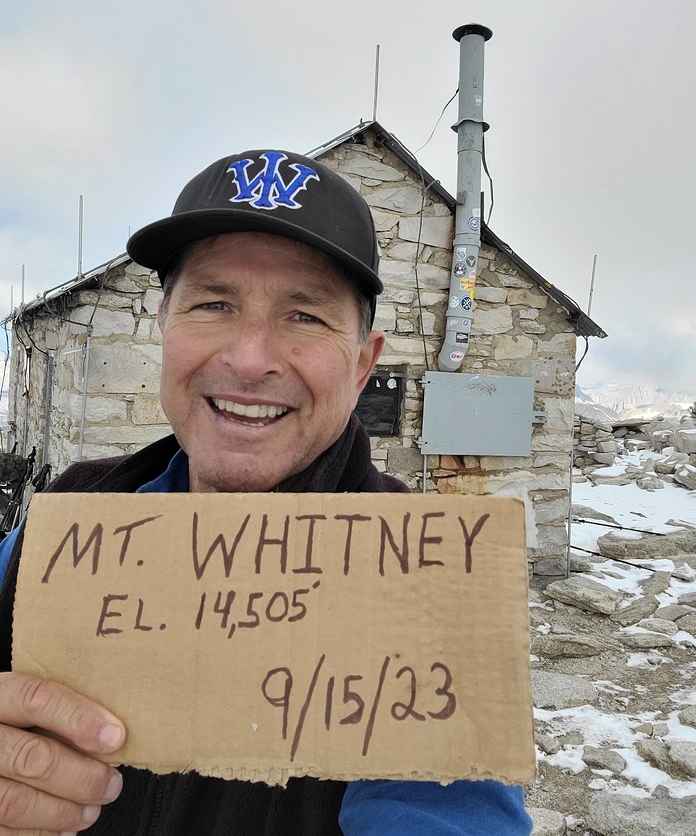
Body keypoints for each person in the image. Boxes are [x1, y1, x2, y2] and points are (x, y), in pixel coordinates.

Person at [0, 150, 532, 835]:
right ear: (164, 327)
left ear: (365, 362)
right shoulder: (64, 525)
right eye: (214, 304)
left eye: (304, 316)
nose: (250, 360)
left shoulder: (427, 576)